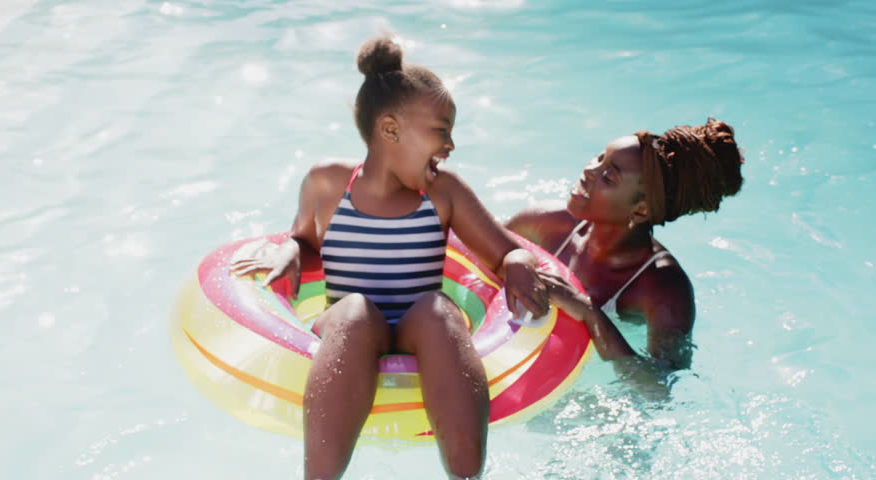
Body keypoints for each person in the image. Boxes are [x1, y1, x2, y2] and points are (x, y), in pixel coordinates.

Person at [231, 36, 548, 480]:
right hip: (351, 332)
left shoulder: (445, 193)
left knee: (437, 309)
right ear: (391, 130)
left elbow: (508, 250)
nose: (451, 145)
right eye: (441, 130)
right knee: (356, 312)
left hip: (420, 332)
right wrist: (288, 252)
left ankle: (466, 476)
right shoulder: (327, 185)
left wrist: (517, 265)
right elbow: (304, 241)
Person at [506, 119, 744, 378]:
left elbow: (658, 388)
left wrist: (588, 314)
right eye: (599, 157)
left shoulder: (662, 290)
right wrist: (514, 258)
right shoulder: (545, 222)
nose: (589, 170)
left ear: (641, 210)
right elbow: (469, 250)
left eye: (608, 176)